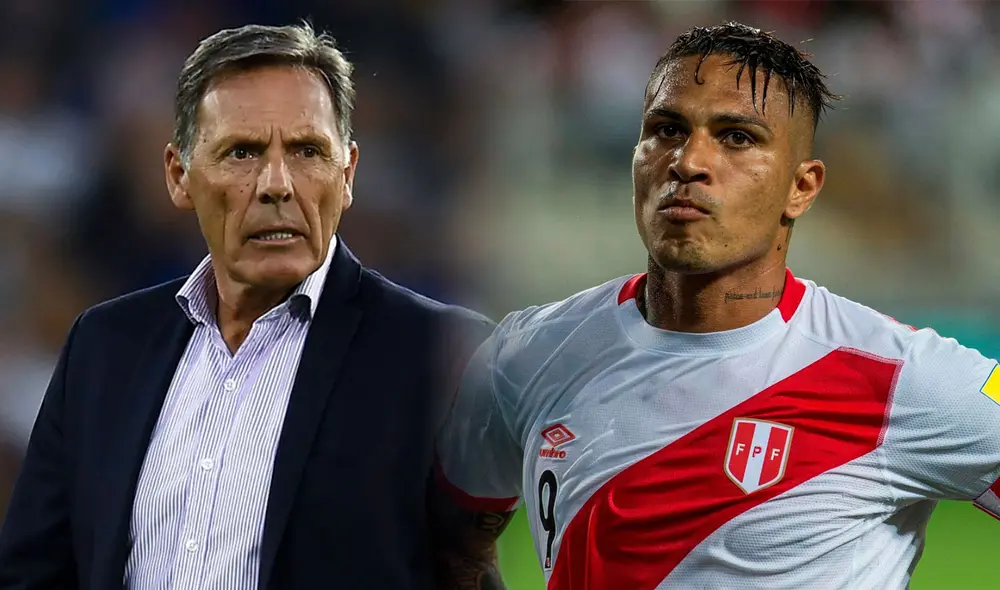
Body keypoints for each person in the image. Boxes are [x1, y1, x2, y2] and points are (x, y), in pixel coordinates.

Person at [429, 22, 1000, 590]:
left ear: (802, 187)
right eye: (666, 129)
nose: (687, 161)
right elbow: (453, 547)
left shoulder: (903, 379)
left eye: (737, 137)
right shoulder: (525, 354)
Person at [0, 22, 492, 590]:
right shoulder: (105, 345)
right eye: (242, 152)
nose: (277, 184)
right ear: (179, 175)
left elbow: (470, 573)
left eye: (308, 150)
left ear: (348, 172)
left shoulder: (437, 354)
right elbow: (33, 573)